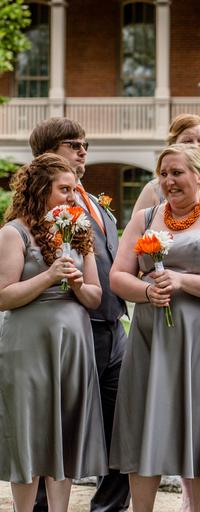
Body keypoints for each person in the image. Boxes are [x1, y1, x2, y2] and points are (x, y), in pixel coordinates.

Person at [109, 144, 200, 512]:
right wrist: (146, 291)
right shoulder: (145, 218)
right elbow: (118, 276)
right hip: (152, 340)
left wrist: (182, 281)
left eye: (177, 173)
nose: (169, 181)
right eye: (163, 174)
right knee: (145, 426)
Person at [26, 117, 131, 512]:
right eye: (73, 144)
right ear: (48, 153)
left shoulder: (95, 203)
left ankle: (108, 507)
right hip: (70, 329)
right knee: (58, 426)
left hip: (112, 325)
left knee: (121, 424)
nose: (83, 150)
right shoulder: (37, 214)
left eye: (85, 143)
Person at [0, 153, 107, 512]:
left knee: (64, 436)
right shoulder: (14, 233)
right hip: (28, 348)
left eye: (74, 189)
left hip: (71, 348)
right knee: (29, 433)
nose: (72, 197)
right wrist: (49, 276)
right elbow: (3, 296)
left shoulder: (79, 232)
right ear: (40, 189)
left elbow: (94, 297)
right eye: (64, 189)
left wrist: (76, 284)